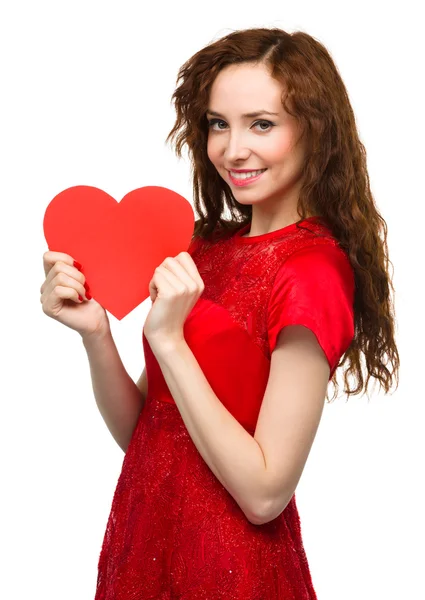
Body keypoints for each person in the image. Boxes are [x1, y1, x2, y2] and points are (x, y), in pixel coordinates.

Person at [40, 27, 400, 599]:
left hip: (228, 566)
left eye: (262, 123)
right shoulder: (202, 249)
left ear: (315, 130)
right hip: (141, 542)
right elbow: (146, 432)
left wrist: (172, 343)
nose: (233, 149)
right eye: (217, 123)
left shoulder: (311, 270)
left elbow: (264, 495)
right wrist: (95, 335)